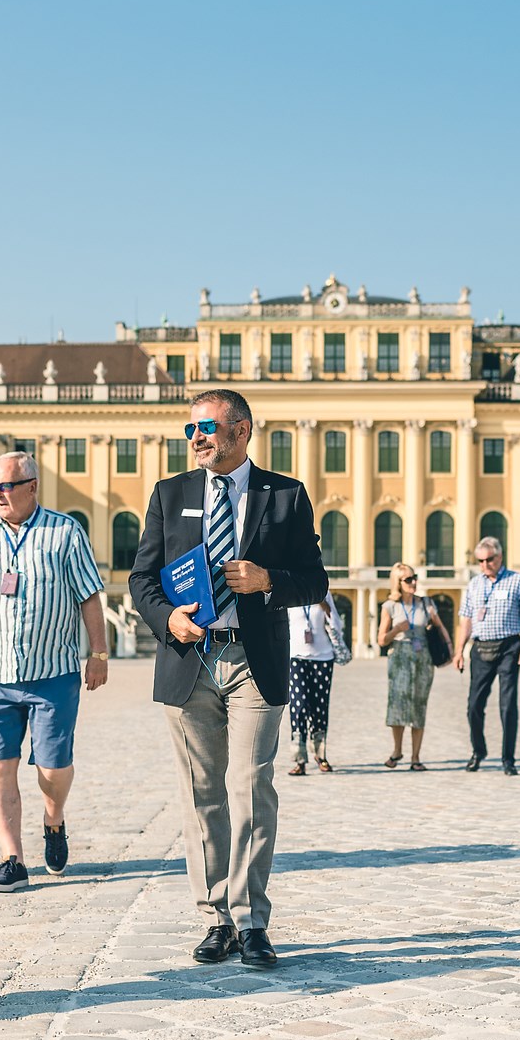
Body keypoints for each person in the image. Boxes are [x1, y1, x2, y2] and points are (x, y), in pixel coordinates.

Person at [129, 388, 327, 969]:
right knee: (204, 794)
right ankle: (218, 915)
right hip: (190, 660)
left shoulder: (285, 495)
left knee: (250, 787)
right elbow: (142, 581)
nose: (197, 439)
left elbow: (314, 582)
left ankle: (252, 918)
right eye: (190, 430)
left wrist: (268, 579)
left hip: (252, 662)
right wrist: (168, 618)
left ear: (242, 430)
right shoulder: (172, 495)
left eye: (208, 428)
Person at [0, 450, 109, 893]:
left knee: (53, 769)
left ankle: (53, 820)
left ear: (32, 487)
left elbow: (89, 597)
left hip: (53, 674)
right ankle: (11, 858)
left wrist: (98, 653)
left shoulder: (65, 532)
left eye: (8, 486)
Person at [453, 536, 520, 775]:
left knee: (507, 705)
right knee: (473, 706)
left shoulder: (516, 581)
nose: (485, 564)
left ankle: (508, 759)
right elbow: (466, 619)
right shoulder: (474, 585)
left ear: (500, 557)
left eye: (489, 559)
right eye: (480, 561)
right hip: (480, 649)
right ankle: (478, 751)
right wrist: (460, 650)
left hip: (509, 647)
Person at [380, 562, 451, 771]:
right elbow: (381, 640)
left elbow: (440, 627)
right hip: (399, 658)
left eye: (414, 578)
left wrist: (451, 650)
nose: (414, 582)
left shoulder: (426, 603)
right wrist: (396, 630)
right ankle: (397, 750)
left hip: (422, 659)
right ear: (398, 583)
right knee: (398, 705)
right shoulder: (389, 607)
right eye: (408, 579)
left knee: (419, 705)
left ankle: (416, 757)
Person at [285, 598, 341, 775]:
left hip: (322, 658)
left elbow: (337, 626)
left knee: (319, 708)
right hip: (296, 656)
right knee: (298, 706)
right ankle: (299, 759)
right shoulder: (291, 593)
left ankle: (320, 754)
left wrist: (326, 609)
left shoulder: (324, 592)